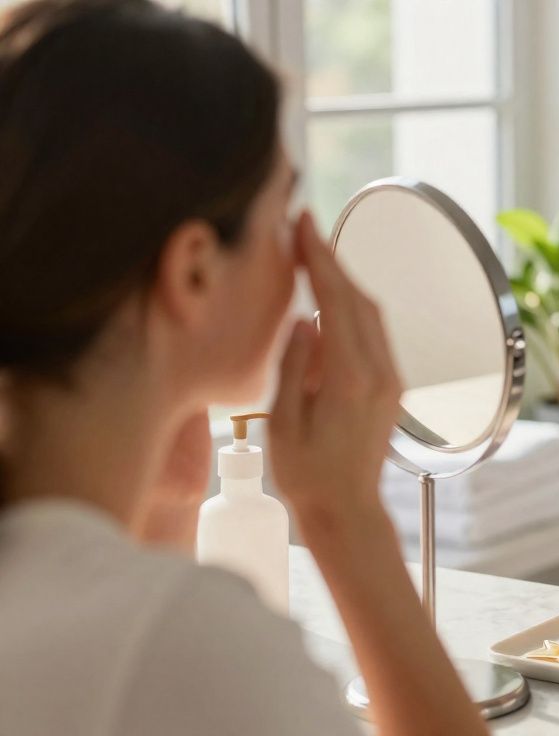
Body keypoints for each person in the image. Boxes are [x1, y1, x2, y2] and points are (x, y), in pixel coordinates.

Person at [0, 1, 485, 733]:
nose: (301, 255)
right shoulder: (190, 640)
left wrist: (166, 491)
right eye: (283, 213)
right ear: (194, 271)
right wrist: (344, 520)